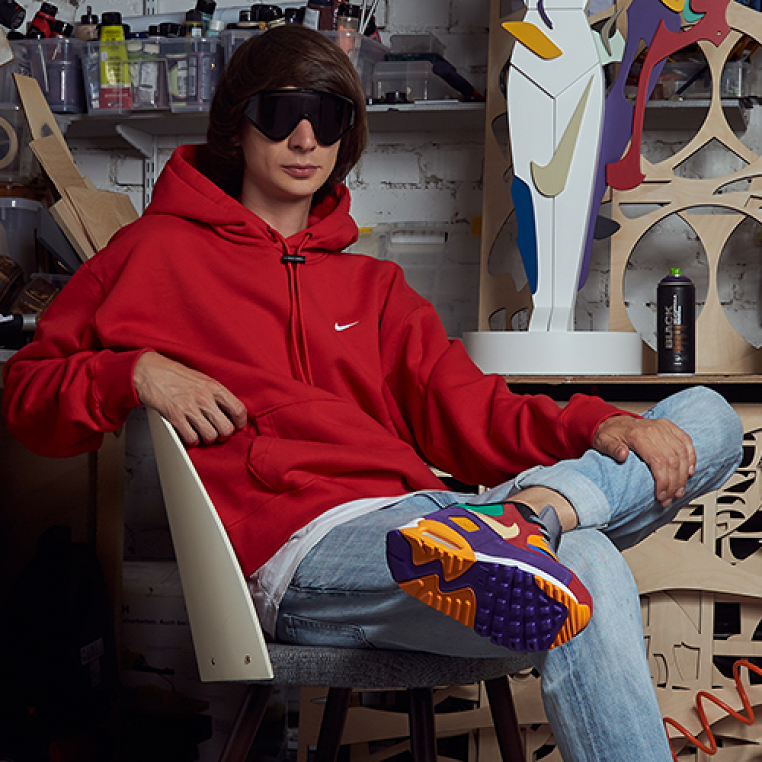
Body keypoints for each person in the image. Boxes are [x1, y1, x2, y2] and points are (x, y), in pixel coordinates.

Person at [2, 24, 743, 762]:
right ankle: (534, 523)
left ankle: (538, 513)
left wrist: (603, 426)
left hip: (434, 521)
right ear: (236, 125)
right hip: (307, 552)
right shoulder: (153, 254)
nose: (304, 138)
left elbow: (475, 412)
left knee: (706, 418)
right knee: (587, 563)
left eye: (327, 118)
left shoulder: (375, 287)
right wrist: (133, 372)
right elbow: (26, 396)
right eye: (280, 113)